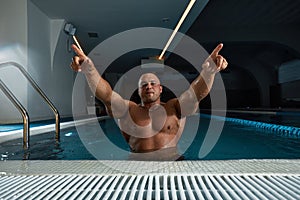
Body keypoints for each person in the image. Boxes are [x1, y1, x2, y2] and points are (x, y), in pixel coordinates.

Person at [70, 43, 228, 160]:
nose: (149, 87)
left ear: (160, 89)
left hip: (173, 165)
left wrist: (209, 72)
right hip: (137, 167)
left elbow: (194, 95)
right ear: (138, 91)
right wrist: (90, 71)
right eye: (144, 85)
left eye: (153, 83)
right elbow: (107, 96)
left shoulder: (174, 108)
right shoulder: (129, 110)